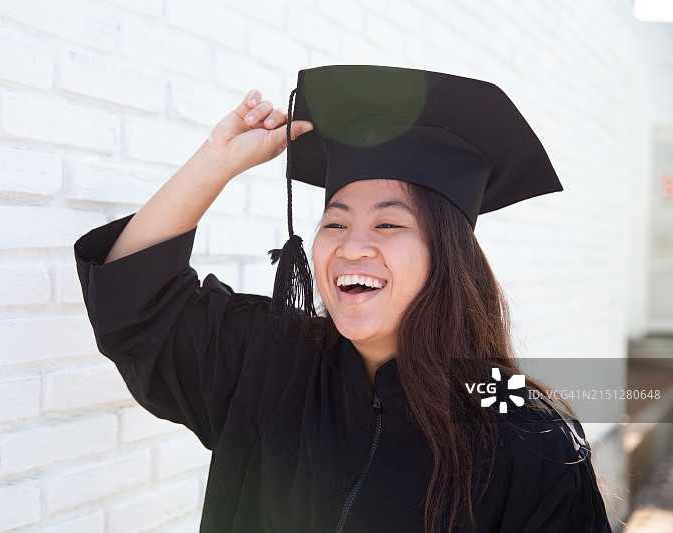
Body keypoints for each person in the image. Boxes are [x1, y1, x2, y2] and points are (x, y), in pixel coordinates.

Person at [74, 65, 613, 532]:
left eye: (388, 223)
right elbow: (135, 301)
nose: (353, 246)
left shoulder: (524, 432)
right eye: (335, 221)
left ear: (447, 254)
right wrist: (216, 160)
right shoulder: (273, 362)